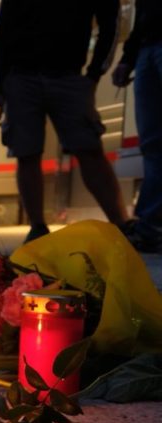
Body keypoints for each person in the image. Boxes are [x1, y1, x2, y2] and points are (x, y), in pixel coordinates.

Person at [0, 0, 129, 245]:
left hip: (67, 75)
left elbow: (110, 23)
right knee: (27, 152)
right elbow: (3, 30)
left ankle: (121, 225)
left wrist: (93, 75)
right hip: (22, 75)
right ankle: (38, 227)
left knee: (88, 148)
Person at [112, 0, 162, 252]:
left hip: (149, 48)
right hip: (147, 45)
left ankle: (149, 225)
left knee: (154, 142)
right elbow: (143, 12)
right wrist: (128, 58)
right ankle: (150, 225)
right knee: (152, 142)